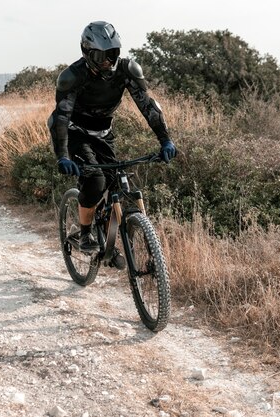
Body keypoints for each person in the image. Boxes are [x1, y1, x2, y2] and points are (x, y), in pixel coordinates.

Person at [48, 21, 177, 270]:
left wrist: (165, 140)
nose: (108, 61)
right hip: (75, 132)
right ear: (87, 52)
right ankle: (85, 232)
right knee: (96, 181)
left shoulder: (127, 69)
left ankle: (110, 244)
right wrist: (63, 156)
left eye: (113, 53)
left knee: (118, 183)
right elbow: (61, 118)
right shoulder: (72, 77)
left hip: (104, 133)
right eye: (101, 55)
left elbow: (148, 106)